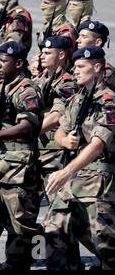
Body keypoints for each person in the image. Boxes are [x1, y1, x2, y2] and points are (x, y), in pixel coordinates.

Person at [45, 46, 115, 270]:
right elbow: (59, 130)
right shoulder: (76, 99)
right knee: (54, 232)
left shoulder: (108, 101)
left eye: (81, 67)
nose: (75, 71)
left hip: (98, 182)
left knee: (105, 245)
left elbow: (98, 145)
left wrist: (66, 171)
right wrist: (65, 141)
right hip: (72, 181)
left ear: (96, 68)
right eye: (74, 66)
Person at [0, 41, 44, 270]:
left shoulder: (27, 89)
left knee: (22, 226)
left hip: (19, 166)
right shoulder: (1, 86)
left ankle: (37, 258)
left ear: (18, 64)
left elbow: (26, 125)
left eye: (3, 61)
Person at [33, 36, 78, 202]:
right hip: (35, 148)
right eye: (42, 52)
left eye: (48, 53)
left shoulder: (68, 83)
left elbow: (57, 116)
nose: (42, 56)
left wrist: (29, 133)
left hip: (53, 151)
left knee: (56, 200)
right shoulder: (38, 80)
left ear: (61, 55)